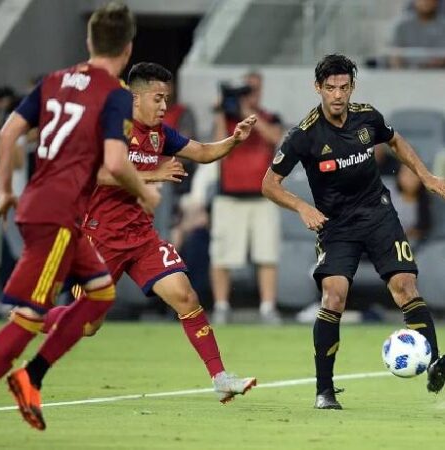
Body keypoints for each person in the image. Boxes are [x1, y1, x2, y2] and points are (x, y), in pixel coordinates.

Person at [42, 62, 258, 403]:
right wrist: (152, 174)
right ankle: (33, 317)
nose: (163, 107)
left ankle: (220, 377)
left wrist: (234, 140)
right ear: (135, 97)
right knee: (88, 325)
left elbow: (201, 152)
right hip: (100, 237)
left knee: (186, 296)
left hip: (142, 237)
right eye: (158, 99)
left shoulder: (161, 134)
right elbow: (98, 172)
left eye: (166, 99)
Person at [0, 2, 156, 430]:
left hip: (44, 207)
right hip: (58, 215)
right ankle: (23, 373)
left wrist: (4, 190)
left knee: (100, 294)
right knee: (29, 317)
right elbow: (118, 163)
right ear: (128, 47)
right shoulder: (116, 94)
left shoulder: (53, 81)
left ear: (88, 41)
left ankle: (32, 376)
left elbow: (8, 132)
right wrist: (145, 192)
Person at [262, 54, 445, 410]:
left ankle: (436, 364)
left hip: (378, 214)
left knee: (405, 286)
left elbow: (395, 141)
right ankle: (324, 391)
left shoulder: (367, 117)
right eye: (330, 88)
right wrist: (302, 207)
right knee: (334, 295)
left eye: (344, 87)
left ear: (352, 87)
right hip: (336, 225)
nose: (337, 95)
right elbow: (269, 184)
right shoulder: (304, 135)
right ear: (318, 88)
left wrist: (425, 176)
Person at [210, 71, 284, 325]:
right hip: (229, 196)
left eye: (254, 89)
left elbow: (275, 137)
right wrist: (222, 111)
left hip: (263, 196)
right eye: (246, 89)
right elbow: (216, 148)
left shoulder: (270, 117)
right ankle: (221, 306)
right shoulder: (227, 119)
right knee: (222, 255)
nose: (250, 94)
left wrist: (247, 114)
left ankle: (267, 307)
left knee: (267, 254)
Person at [388, 0, 445, 69]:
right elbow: (394, 54)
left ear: (436, 2)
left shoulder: (442, 25)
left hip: (438, 73)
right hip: (407, 73)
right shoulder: (401, 25)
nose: (426, 3)